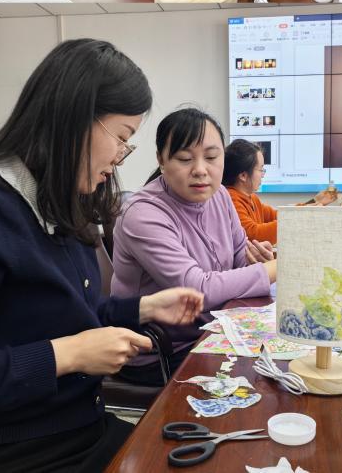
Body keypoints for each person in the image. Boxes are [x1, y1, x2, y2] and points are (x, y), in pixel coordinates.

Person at [0, 40, 204, 473]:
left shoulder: (59, 199)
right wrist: (69, 355)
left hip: (81, 429)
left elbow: (61, 314)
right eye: (121, 138)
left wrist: (143, 308)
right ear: (76, 118)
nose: (119, 158)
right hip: (13, 453)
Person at [111, 108, 276, 386]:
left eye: (211, 157)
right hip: (160, 352)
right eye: (185, 159)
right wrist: (273, 269)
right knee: (262, 382)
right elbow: (198, 290)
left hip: (212, 330)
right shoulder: (143, 213)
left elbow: (239, 256)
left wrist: (256, 261)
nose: (200, 170)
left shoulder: (220, 195)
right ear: (161, 161)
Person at [222, 139, 336, 243]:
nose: (263, 175)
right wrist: (300, 217)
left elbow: (279, 215)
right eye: (261, 169)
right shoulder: (230, 199)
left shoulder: (251, 198)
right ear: (243, 175)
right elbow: (254, 234)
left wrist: (314, 202)